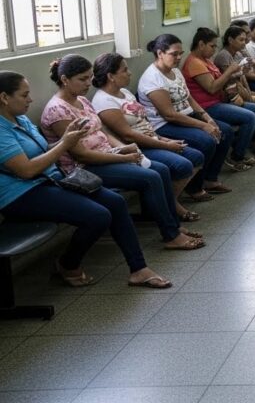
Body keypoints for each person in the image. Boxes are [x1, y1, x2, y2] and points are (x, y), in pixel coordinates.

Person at [0, 71, 172, 289]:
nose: (30, 100)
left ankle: (138, 269)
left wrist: (65, 138)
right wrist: (65, 144)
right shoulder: (1, 130)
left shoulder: (21, 119)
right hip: (21, 194)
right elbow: (25, 170)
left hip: (49, 180)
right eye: (24, 96)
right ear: (4, 98)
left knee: (115, 202)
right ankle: (67, 264)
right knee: (98, 216)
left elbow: (42, 152)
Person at [41, 55, 203, 252]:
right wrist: (123, 157)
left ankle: (174, 227)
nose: (88, 83)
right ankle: (171, 234)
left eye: (89, 77)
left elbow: (102, 132)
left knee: (160, 169)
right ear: (65, 80)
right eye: (82, 79)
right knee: (151, 177)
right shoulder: (57, 110)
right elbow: (82, 155)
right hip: (84, 169)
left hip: (107, 156)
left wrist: (125, 148)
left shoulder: (82, 100)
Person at [92, 52, 208, 221]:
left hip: (152, 138)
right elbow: (128, 134)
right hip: (138, 146)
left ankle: (166, 201)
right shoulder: (104, 101)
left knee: (196, 156)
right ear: (111, 76)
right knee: (181, 165)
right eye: (125, 70)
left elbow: (144, 123)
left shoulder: (124, 92)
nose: (130, 73)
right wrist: (166, 146)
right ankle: (170, 206)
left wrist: (163, 139)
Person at [137, 34, 234, 197]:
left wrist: (207, 118)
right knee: (206, 141)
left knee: (225, 132)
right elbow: (169, 115)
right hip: (165, 125)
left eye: (180, 53)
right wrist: (204, 126)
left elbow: (188, 97)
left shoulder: (175, 71)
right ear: (160, 53)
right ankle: (194, 187)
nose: (179, 57)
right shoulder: (152, 78)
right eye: (174, 54)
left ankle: (209, 178)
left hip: (185, 116)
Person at [181, 28, 255, 170]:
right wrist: (230, 70)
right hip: (207, 106)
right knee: (249, 117)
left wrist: (238, 73)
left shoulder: (206, 61)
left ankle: (238, 148)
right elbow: (212, 87)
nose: (214, 50)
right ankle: (237, 157)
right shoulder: (194, 63)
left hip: (220, 101)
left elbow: (220, 80)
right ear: (201, 44)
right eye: (212, 46)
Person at [214, 25, 255, 155]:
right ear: (230, 40)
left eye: (245, 39)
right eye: (241, 40)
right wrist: (242, 72)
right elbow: (229, 81)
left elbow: (245, 72)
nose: (244, 43)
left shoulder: (237, 53)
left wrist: (244, 68)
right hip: (233, 94)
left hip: (243, 89)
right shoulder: (223, 56)